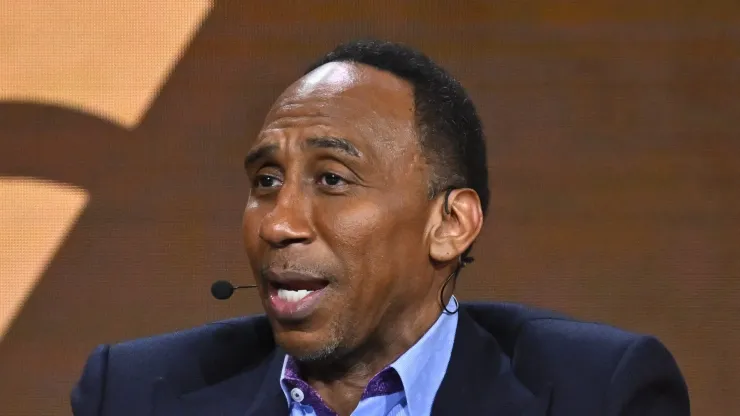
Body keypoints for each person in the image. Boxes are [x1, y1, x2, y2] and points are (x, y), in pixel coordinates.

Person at [71, 39, 690, 416]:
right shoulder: (133, 396)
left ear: (450, 223)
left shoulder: (596, 396)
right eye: (265, 182)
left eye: (332, 179)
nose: (280, 223)